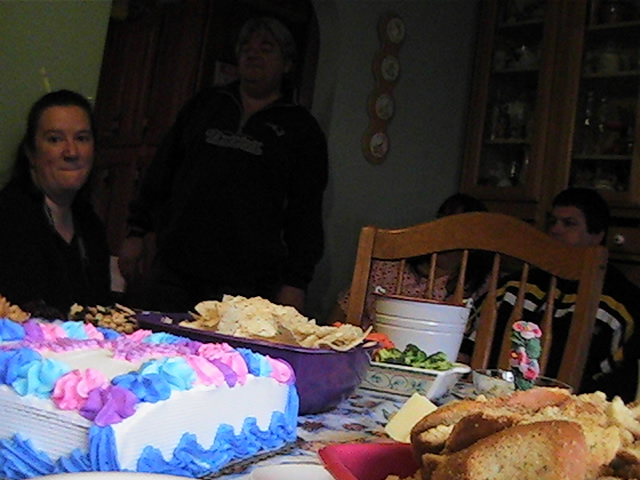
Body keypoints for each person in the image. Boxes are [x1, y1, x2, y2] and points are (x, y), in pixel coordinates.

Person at [119, 17, 328, 314]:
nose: (253, 54)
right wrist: (136, 232)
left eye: (266, 48)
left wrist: (296, 281)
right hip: (176, 269)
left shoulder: (301, 129)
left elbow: (305, 212)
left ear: (286, 64)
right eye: (246, 47)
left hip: (249, 283)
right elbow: (161, 172)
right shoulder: (205, 105)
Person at [462, 187, 640, 402]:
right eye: (552, 222)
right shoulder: (513, 286)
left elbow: (618, 382)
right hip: (485, 398)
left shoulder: (622, 301)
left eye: (569, 223)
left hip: (568, 406)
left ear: (597, 235)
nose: (555, 230)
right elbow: (466, 345)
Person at [0, 89, 111, 318]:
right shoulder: (7, 217)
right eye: (55, 139)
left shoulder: (91, 226)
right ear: (31, 152)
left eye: (81, 138)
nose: (71, 152)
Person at [330, 193, 492, 328]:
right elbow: (343, 311)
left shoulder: (479, 285)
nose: (446, 236)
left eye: (457, 230)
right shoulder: (388, 267)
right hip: (372, 348)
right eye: (442, 222)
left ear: (475, 244)